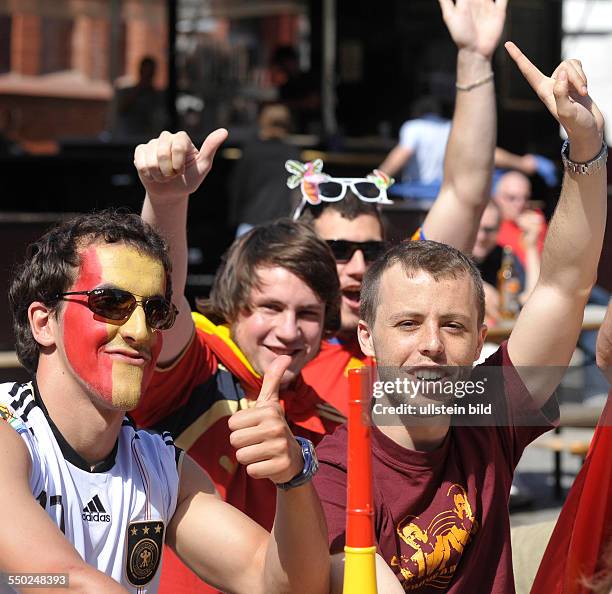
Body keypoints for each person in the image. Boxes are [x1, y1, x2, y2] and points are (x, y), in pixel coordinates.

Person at [316, 42, 608, 593]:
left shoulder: (486, 409)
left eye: (452, 326)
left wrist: (585, 143)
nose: (431, 344)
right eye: (407, 324)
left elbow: (566, 283)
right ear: (366, 336)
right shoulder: (336, 469)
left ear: (480, 338)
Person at [0, 210, 331, 594]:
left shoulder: (160, 464)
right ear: (43, 323)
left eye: (156, 311)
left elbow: (285, 586)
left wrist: (294, 476)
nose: (141, 332)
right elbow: (55, 580)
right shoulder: (9, 434)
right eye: (110, 302)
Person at [133, 130, 343, 593]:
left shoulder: (333, 426)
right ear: (231, 306)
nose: (288, 331)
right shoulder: (199, 368)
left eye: (307, 313)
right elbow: (158, 301)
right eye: (269, 308)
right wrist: (166, 200)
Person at [298, 0, 507, 416]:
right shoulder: (272, 350)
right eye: (337, 250)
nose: (357, 267)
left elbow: (465, 192)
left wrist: (474, 59)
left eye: (372, 251)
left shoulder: (415, 351)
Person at [228, 102, 301, 237]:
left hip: (250, 221)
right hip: (281, 224)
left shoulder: (252, 150)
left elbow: (238, 186)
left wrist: (234, 217)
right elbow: (297, 192)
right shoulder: (292, 153)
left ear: (262, 121)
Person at [112, 56, 167, 141]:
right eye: (145, 73)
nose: (147, 77)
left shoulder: (157, 96)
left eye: (149, 74)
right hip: (128, 138)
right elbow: (121, 109)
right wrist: (138, 89)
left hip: (149, 138)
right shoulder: (127, 92)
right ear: (140, 71)